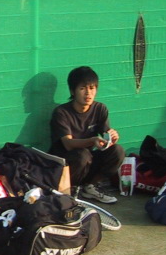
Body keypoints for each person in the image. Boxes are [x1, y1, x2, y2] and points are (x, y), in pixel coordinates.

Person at [49, 66, 125, 204]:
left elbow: (105, 134)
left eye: (92, 88)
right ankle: (68, 191)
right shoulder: (61, 112)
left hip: (87, 161)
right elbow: (68, 144)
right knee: (82, 155)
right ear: (72, 91)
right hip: (65, 163)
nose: (88, 93)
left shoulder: (100, 108)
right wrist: (92, 140)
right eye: (82, 88)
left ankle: (90, 187)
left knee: (117, 151)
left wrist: (111, 137)